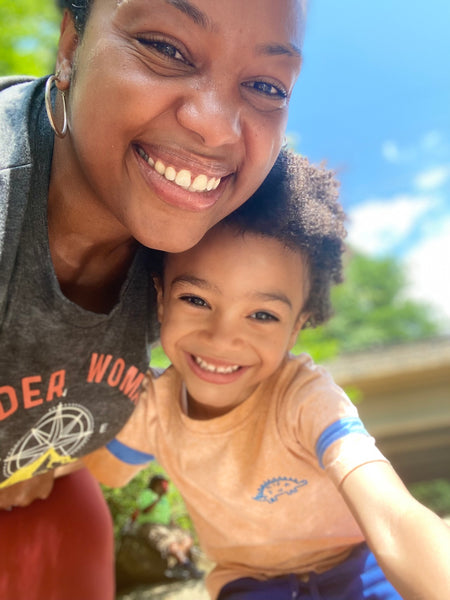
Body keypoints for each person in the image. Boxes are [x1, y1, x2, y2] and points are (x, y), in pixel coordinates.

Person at [0, 0, 307, 597]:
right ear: (71, 44)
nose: (216, 125)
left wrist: (38, 460)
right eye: (167, 49)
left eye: (267, 85)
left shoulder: (202, 254)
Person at [85, 150, 450, 600]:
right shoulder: (154, 406)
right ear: (160, 297)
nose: (222, 338)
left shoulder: (305, 399)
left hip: (357, 567)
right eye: (196, 300)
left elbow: (394, 516)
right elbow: (97, 469)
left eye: (261, 315)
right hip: (250, 584)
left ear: (297, 326)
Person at [133, 474, 202, 580]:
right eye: (163, 483)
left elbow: (167, 516)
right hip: (151, 525)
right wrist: (158, 497)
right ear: (155, 483)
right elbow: (145, 510)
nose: (165, 486)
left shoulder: (164, 499)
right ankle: (188, 566)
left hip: (166, 526)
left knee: (186, 537)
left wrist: (176, 526)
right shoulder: (147, 494)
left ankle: (178, 565)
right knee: (170, 541)